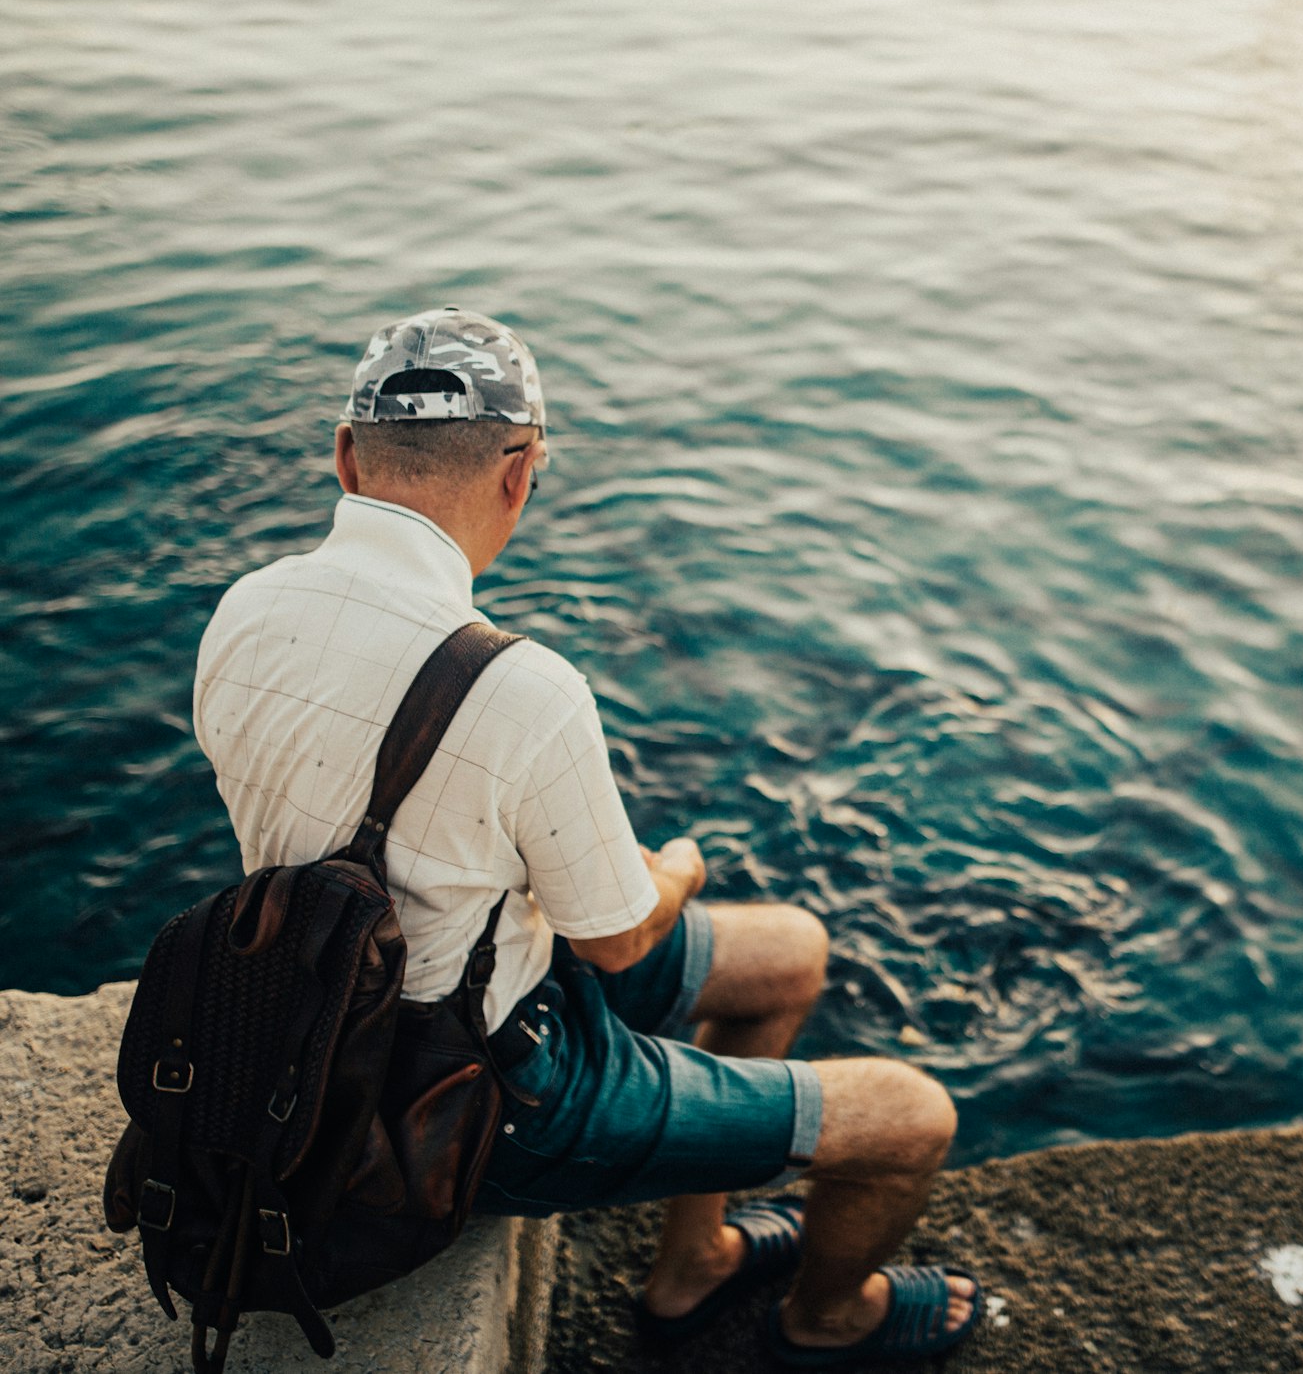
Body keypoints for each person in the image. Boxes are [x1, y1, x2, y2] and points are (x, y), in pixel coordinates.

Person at [192, 307, 980, 1365]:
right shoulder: (524, 686)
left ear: (344, 455)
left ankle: (692, 1263)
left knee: (788, 954)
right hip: (481, 1091)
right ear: (519, 470)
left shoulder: (242, 610)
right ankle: (826, 1320)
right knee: (910, 1119)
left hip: (334, 1009)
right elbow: (617, 942)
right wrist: (677, 868)